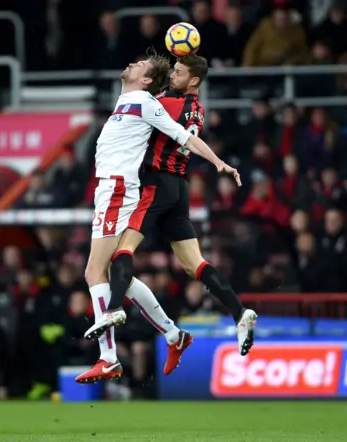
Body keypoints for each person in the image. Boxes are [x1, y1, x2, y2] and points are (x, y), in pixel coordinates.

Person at [78, 51, 241, 384]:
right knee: (108, 270)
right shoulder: (126, 101)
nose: (130, 64)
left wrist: (218, 162)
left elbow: (186, 136)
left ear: (147, 79)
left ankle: (108, 358)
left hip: (119, 189)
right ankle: (173, 335)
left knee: (94, 270)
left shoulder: (145, 101)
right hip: (108, 189)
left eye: (137, 65)